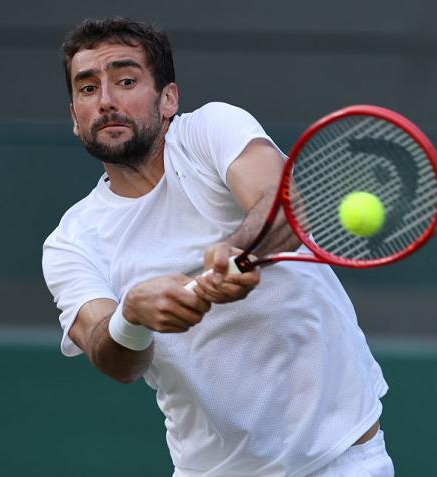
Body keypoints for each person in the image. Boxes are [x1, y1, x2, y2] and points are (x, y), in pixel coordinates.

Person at [42, 17, 394, 477]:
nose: (106, 100)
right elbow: (112, 359)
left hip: (340, 457)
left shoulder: (211, 129)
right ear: (75, 116)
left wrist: (234, 249)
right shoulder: (70, 244)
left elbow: (283, 208)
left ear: (168, 99)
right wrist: (132, 315)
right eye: (88, 89)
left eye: (125, 81)